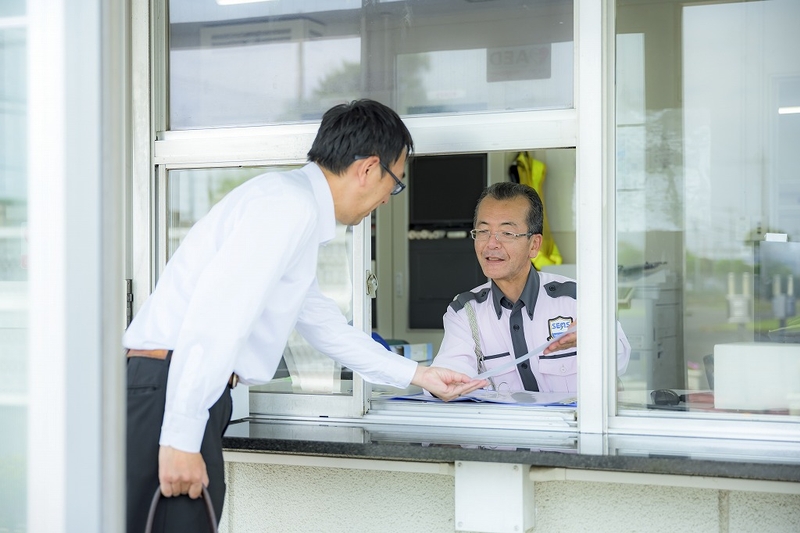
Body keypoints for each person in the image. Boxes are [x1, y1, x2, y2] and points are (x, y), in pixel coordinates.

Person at [123, 99, 486, 533]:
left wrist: (421, 376)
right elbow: (216, 320)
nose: (388, 200)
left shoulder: (292, 208)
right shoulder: (285, 208)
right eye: (396, 184)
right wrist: (180, 437)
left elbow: (325, 327)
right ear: (369, 169)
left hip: (175, 387)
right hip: (171, 390)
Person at [430, 181, 630, 393]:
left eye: (507, 233)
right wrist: (448, 383)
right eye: (483, 231)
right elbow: (451, 371)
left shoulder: (576, 299)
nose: (491, 244)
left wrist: (594, 340)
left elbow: (620, 359)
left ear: (534, 244)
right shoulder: (465, 312)